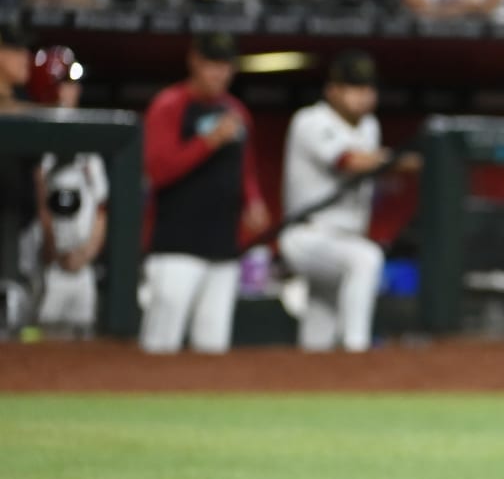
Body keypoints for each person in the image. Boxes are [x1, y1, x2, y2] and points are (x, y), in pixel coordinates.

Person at [141, 34, 270, 354]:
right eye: (212, 65)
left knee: (213, 349)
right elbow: (157, 170)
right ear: (195, 62)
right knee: (161, 345)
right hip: (175, 247)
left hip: (223, 248)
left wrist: (253, 201)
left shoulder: (236, 111)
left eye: (225, 66)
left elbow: (246, 169)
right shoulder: (169, 105)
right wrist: (209, 141)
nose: (218, 74)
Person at [278, 51, 397, 353]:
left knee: (320, 320)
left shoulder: (370, 125)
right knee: (365, 260)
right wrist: (398, 161)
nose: (364, 96)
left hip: (345, 237)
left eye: (368, 88)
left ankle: (312, 380)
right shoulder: (310, 120)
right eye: (354, 88)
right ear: (332, 91)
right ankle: (356, 350)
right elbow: (349, 161)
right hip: (308, 234)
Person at [28, 47, 106, 337]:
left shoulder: (89, 147)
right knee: (33, 342)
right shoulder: (32, 142)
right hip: (43, 266)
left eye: (74, 83)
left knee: (82, 351)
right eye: (65, 82)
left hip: (82, 268)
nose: (74, 90)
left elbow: (101, 209)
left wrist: (86, 254)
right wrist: (50, 249)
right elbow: (36, 205)